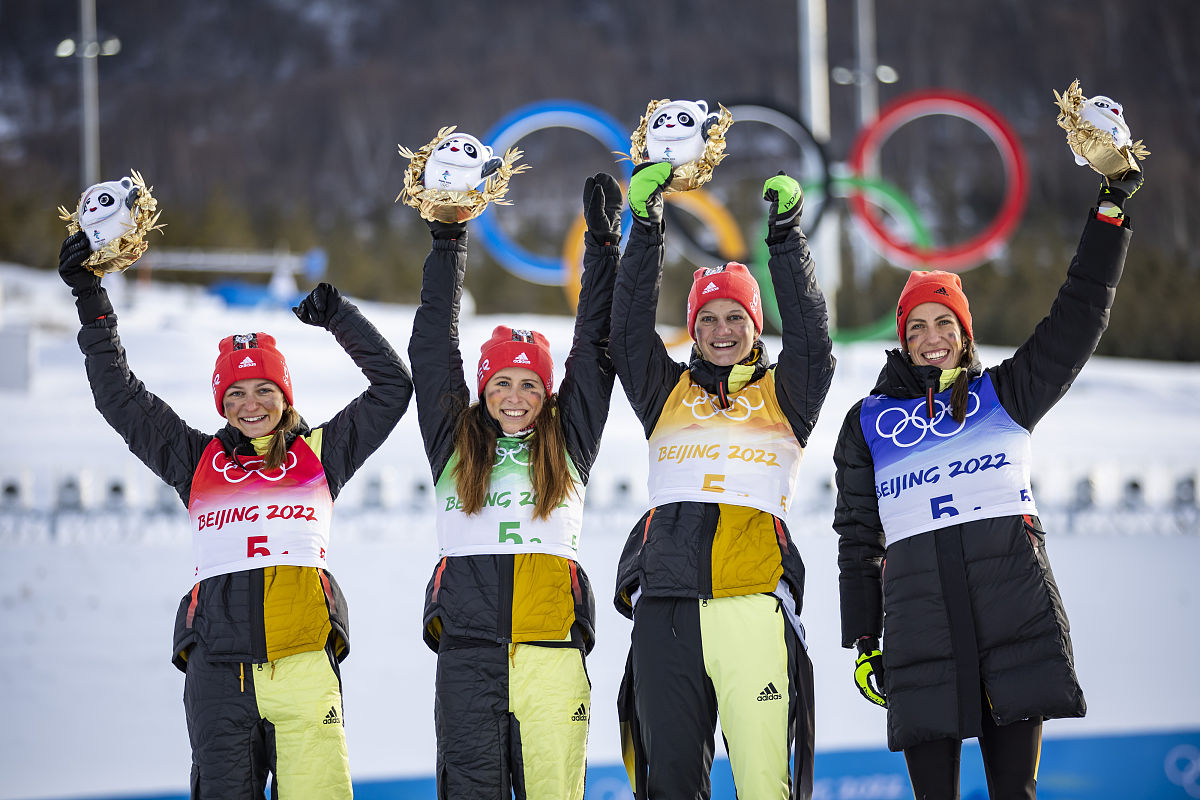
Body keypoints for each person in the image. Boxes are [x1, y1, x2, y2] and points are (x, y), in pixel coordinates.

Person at [57, 231, 414, 799]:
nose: (251, 405)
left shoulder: (322, 454)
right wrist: (90, 298)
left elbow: (393, 388)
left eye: (264, 389)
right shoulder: (195, 459)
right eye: (236, 394)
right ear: (221, 403)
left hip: (304, 663)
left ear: (285, 394)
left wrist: (338, 316)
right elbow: (119, 397)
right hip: (219, 673)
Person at [833, 168, 1141, 799]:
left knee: (1014, 795)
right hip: (919, 629)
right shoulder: (867, 423)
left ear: (964, 331)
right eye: (915, 327)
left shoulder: (1006, 394)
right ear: (902, 339)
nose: (930, 339)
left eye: (943, 323)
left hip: (1011, 617)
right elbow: (857, 537)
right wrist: (864, 638)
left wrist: (1108, 215)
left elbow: (1077, 318)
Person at [610, 164, 836, 800]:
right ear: (694, 327)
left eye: (735, 316)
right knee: (671, 785)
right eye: (707, 319)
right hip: (668, 610)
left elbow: (815, 340)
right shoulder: (665, 392)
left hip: (752, 606)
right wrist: (646, 227)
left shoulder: (785, 395)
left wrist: (787, 240)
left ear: (755, 322)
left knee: (765, 783)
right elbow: (627, 334)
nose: (722, 331)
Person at [407, 173, 622, 800]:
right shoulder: (454, 443)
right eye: (502, 382)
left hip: (552, 650)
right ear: (482, 389)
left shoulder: (569, 440)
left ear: (549, 393)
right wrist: (449, 239)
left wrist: (603, 247)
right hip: (469, 659)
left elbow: (595, 345)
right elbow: (431, 349)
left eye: (530, 384)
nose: (515, 396)